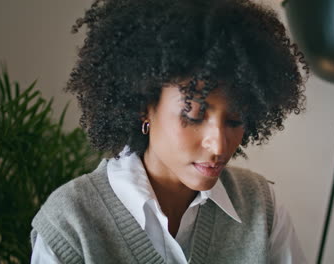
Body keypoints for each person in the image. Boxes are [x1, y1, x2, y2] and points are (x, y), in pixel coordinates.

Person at [30, 0, 308, 263]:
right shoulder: (70, 224)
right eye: (194, 116)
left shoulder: (262, 208)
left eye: (235, 121)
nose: (219, 145)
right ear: (144, 106)